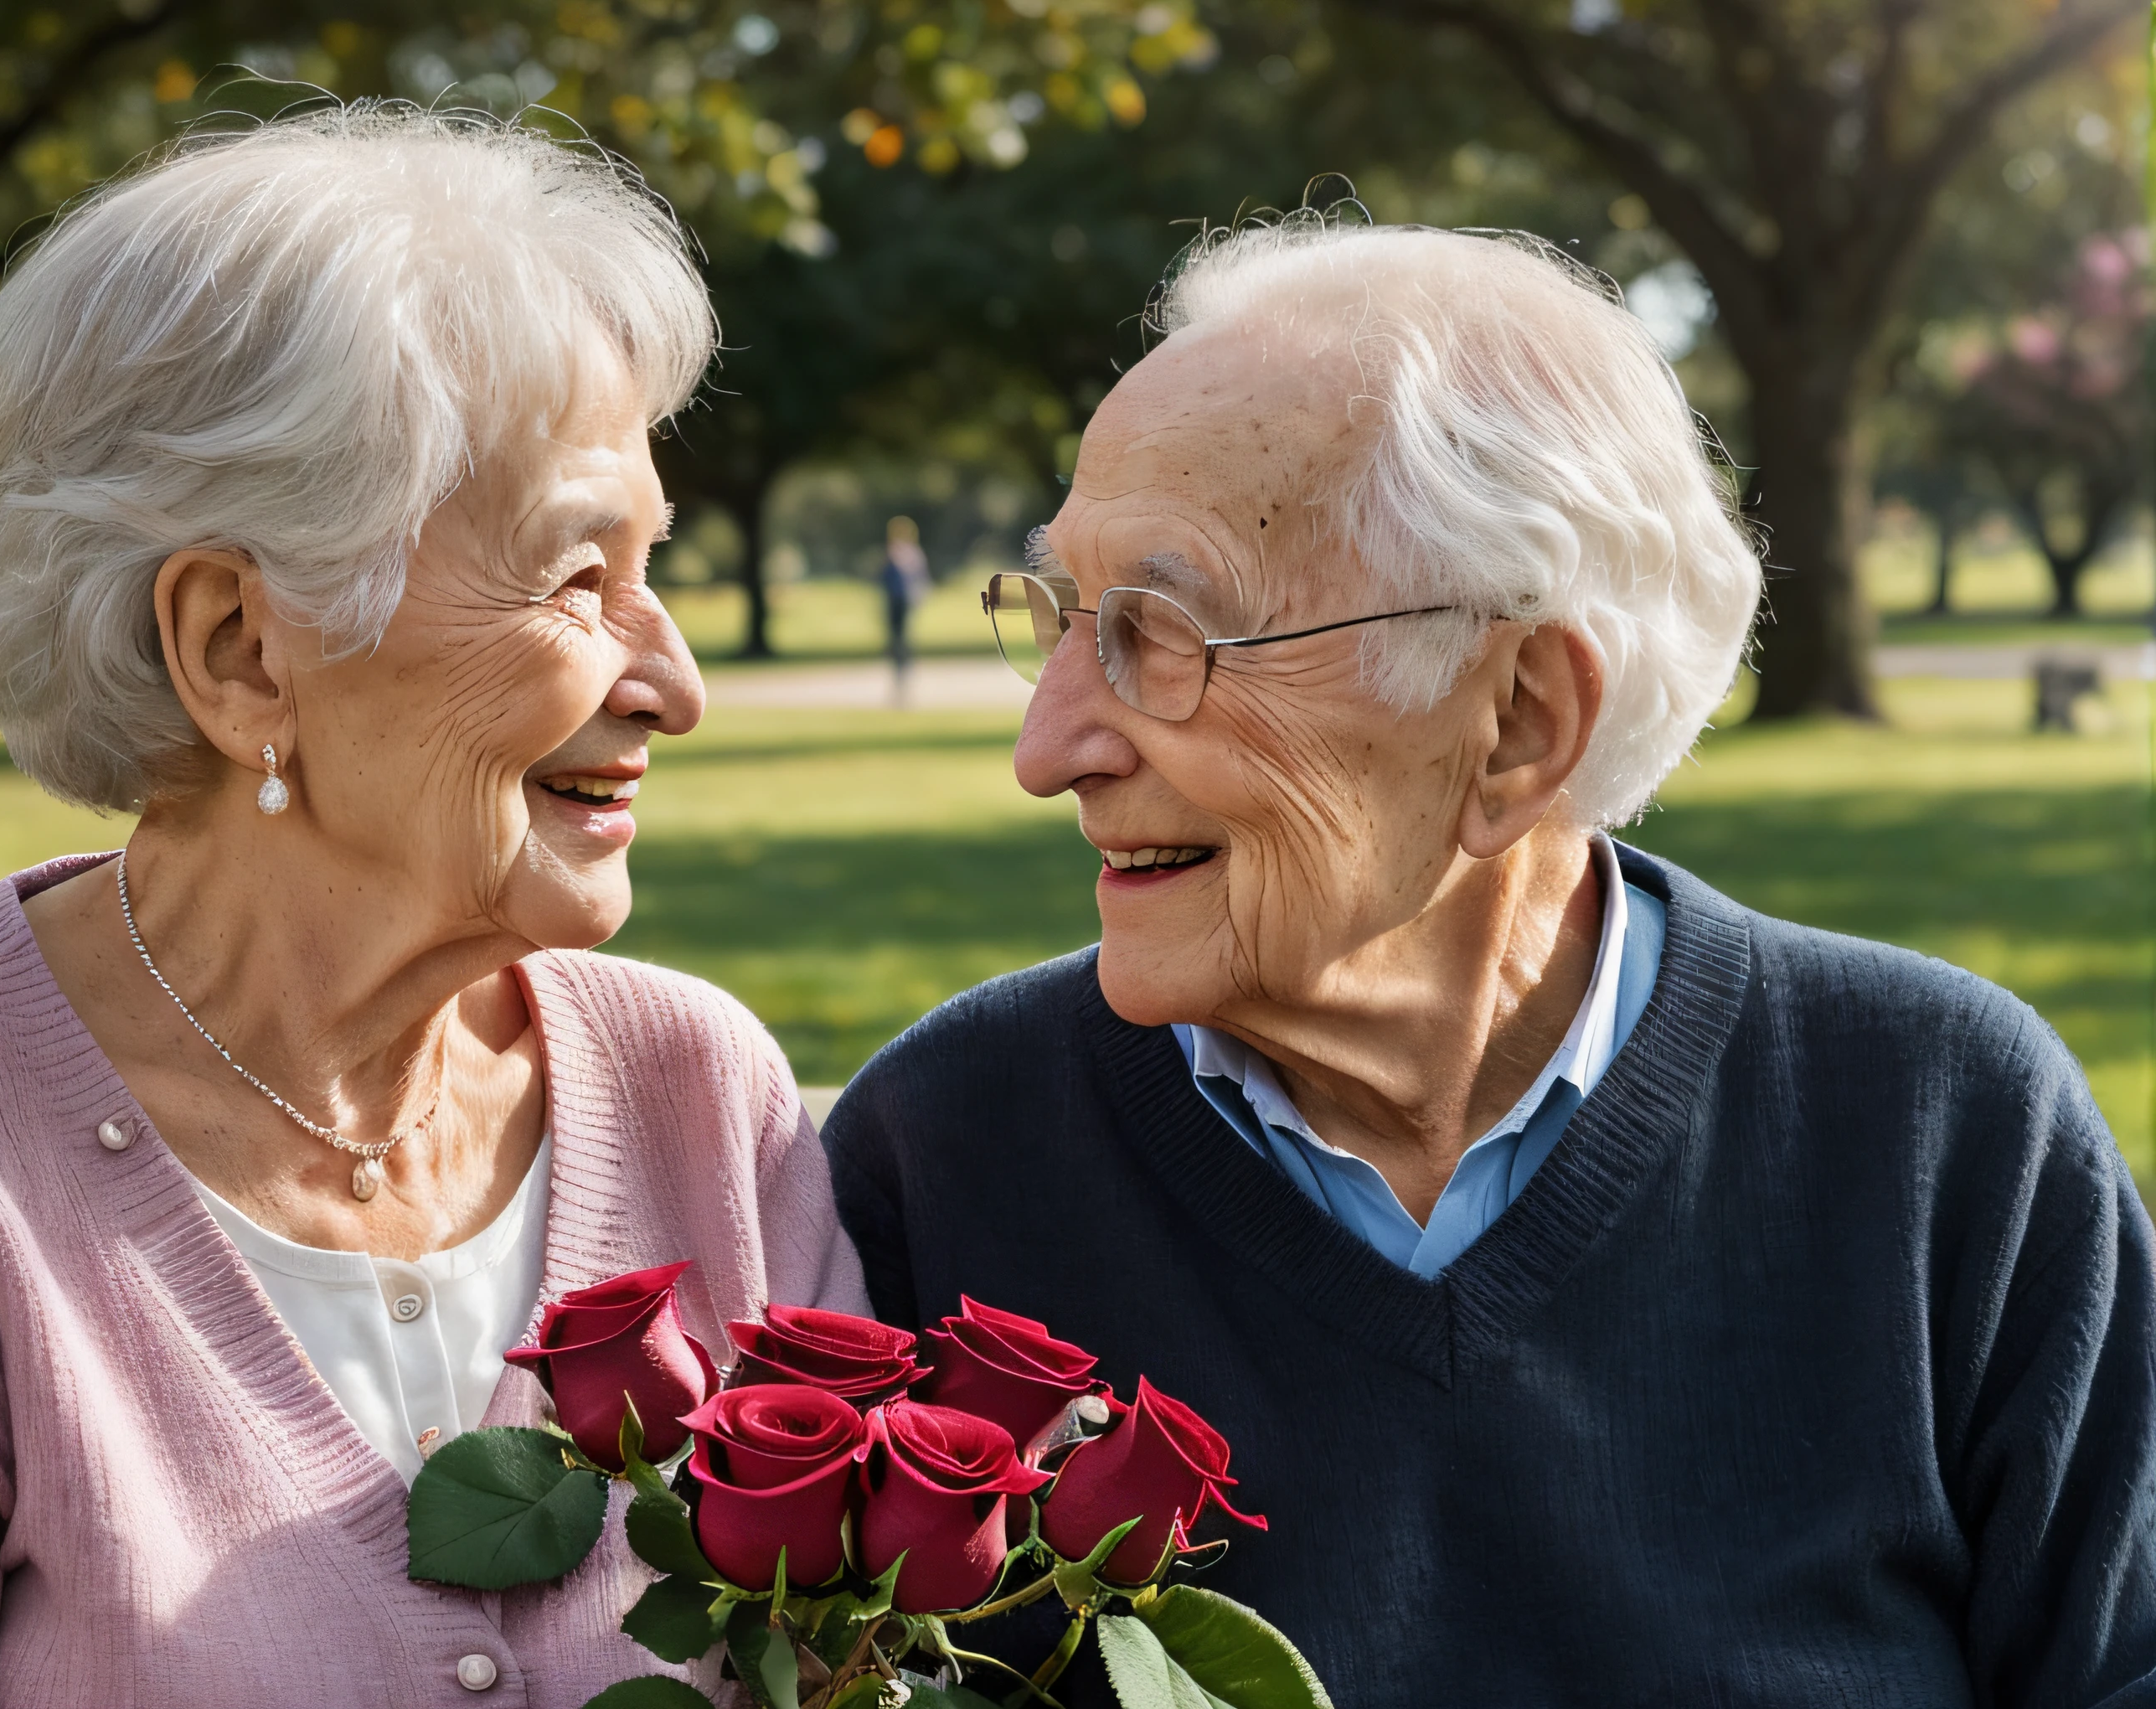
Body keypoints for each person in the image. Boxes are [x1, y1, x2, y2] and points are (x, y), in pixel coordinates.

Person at [0, 109, 867, 1709]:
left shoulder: (696, 1090)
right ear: (236, 649)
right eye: (574, 579)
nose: (672, 684)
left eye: (654, 567)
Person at [822, 219, 2156, 1706]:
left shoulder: (1937, 1124)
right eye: (1065, 619)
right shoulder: (941, 1153)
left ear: (1518, 722)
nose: (1043, 747)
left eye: (1163, 629)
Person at [879, 513, 931, 700]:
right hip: (894, 603)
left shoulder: (910, 554)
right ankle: (898, 678)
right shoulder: (892, 553)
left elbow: (919, 579)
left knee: (901, 642)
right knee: (896, 641)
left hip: (903, 603)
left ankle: (903, 679)